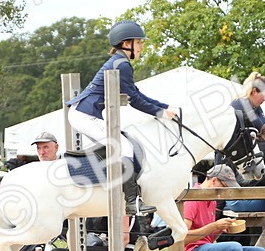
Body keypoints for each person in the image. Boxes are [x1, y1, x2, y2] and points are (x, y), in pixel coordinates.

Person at [65, 19, 179, 212]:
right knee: (123, 146)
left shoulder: (119, 62)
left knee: (121, 143)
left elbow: (136, 93)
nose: (142, 46)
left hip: (85, 113)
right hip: (84, 115)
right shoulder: (122, 64)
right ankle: (131, 201)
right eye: (139, 42)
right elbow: (134, 100)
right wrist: (160, 113)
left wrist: (165, 108)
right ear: (127, 44)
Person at [182, 165, 265, 251]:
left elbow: (208, 238)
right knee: (233, 248)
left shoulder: (211, 200)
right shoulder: (192, 199)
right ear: (214, 180)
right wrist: (214, 226)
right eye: (225, 186)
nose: (225, 192)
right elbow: (182, 238)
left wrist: (220, 229)